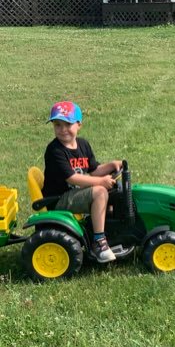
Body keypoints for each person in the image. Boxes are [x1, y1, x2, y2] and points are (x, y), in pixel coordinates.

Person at [42, 101, 122, 263]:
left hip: (76, 193)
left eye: (68, 124)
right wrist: (100, 182)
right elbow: (73, 178)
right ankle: (99, 242)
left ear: (79, 124)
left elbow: (93, 170)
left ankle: (112, 232)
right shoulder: (55, 150)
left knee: (114, 194)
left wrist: (111, 165)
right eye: (57, 125)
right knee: (100, 192)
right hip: (60, 198)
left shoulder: (83, 145)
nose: (63, 129)